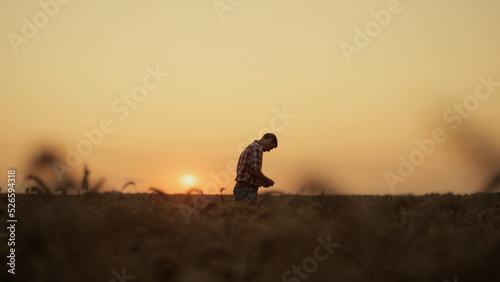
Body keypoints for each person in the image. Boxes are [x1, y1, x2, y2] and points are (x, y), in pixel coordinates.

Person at [233, 133, 278, 203]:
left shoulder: (251, 147)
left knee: (243, 213)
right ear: (269, 141)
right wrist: (267, 180)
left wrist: (261, 182)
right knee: (248, 213)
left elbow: (248, 173)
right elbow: (255, 170)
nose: (269, 150)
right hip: (247, 189)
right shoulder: (257, 148)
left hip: (243, 187)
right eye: (271, 148)